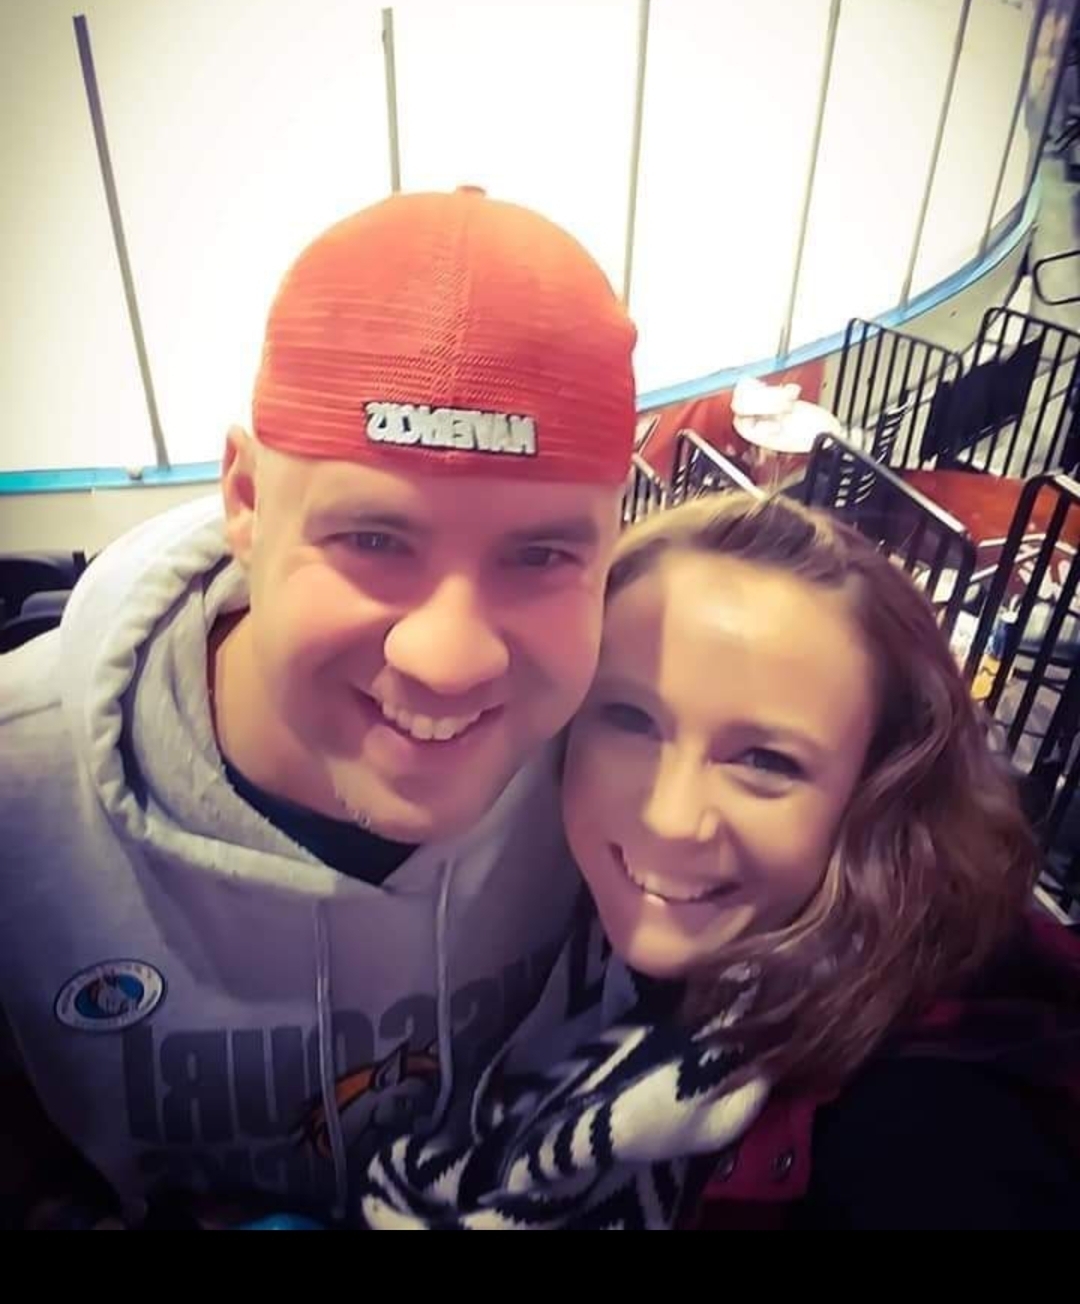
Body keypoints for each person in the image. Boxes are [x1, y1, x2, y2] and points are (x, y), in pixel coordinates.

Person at [0, 186, 637, 1228]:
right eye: (374, 540)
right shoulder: (17, 799)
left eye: (541, 556)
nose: (449, 659)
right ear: (246, 501)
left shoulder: (639, 764)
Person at [358, 489, 1080, 1229]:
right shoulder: (565, 926)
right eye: (632, 719)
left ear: (880, 789)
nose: (671, 819)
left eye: (765, 760)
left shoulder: (931, 1128)